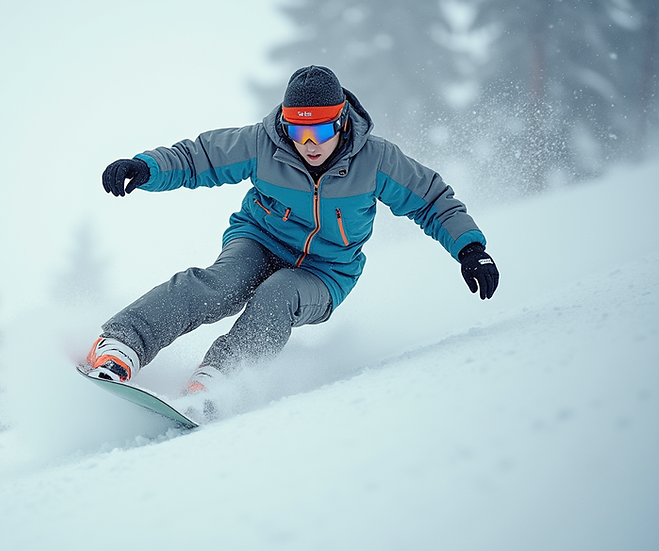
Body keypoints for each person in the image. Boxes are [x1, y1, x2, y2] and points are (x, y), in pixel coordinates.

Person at [83, 65, 499, 418]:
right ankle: (122, 343)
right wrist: (146, 167)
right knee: (222, 284)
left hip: (326, 270)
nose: (309, 143)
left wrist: (470, 249)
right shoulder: (265, 143)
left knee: (278, 295)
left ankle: (219, 381)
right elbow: (200, 158)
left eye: (319, 129)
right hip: (259, 240)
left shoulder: (376, 160)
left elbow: (431, 200)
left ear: (340, 122)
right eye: (298, 130)